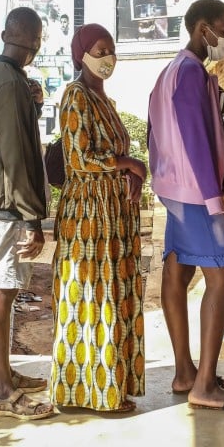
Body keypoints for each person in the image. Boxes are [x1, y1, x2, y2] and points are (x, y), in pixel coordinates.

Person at [148, 0, 224, 411]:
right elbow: (192, 139)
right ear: (203, 29)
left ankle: (185, 372)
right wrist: (213, 200)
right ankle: (205, 385)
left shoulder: (171, 71)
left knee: (177, 270)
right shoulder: (190, 73)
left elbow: (167, 134)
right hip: (195, 192)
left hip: (174, 188)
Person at [49, 24, 147, 413]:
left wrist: (130, 178)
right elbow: (78, 158)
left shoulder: (103, 98)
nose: (108, 58)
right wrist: (128, 162)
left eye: (112, 50)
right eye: (99, 50)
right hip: (89, 215)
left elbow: (108, 158)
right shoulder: (75, 95)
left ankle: (105, 386)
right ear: (81, 54)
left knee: (112, 295)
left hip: (112, 211)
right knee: (92, 296)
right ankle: (94, 392)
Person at [0, 7, 55, 421]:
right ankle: (3, 390)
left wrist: (32, 103)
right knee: (1, 290)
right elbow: (18, 155)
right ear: (37, 41)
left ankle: (3, 378)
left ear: (6, 34)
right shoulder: (10, 84)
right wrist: (32, 218)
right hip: (8, 206)